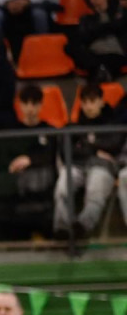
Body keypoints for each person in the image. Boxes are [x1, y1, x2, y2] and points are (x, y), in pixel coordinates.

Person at [0, 85, 57, 241]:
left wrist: (31, 160)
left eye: (34, 104)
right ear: (20, 105)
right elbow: (2, 155)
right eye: (26, 103)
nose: (30, 108)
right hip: (10, 174)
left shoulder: (50, 131)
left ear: (41, 105)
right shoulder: (11, 130)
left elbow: (52, 155)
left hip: (36, 175)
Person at [57, 85, 122, 240]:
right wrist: (95, 149)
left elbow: (114, 146)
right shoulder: (73, 128)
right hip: (77, 166)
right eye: (84, 102)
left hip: (101, 167)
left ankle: (82, 227)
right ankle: (62, 229)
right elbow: (66, 153)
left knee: (95, 191)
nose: (88, 106)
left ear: (101, 102)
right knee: (62, 187)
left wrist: (85, 146)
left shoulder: (113, 125)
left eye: (92, 101)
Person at [68, 0, 127, 83]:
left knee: (107, 61)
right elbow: (83, 38)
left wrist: (97, 30)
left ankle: (99, 72)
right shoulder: (86, 18)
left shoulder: (120, 12)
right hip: (94, 54)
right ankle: (102, 71)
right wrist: (106, 28)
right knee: (71, 47)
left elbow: (119, 26)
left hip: (116, 53)